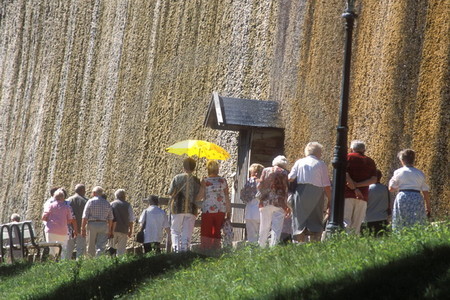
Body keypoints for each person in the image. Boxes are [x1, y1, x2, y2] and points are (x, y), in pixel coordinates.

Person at [288, 142, 332, 242]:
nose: (321, 154)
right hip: (316, 193)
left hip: (301, 191)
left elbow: (290, 178)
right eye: (320, 152)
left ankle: (299, 242)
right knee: (316, 218)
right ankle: (314, 242)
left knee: (299, 218)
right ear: (317, 152)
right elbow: (326, 185)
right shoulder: (321, 164)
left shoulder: (299, 162)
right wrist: (330, 199)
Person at [388, 149, 431, 231]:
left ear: (402, 160)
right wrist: (428, 207)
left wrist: (398, 185)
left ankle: (401, 237)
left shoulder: (398, 172)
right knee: (417, 220)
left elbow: (391, 188)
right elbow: (425, 191)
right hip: (417, 196)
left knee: (401, 220)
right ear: (413, 160)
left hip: (403, 196)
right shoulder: (420, 173)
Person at [344, 140, 377, 235]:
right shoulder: (370, 161)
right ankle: (354, 245)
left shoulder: (348, 157)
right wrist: (358, 186)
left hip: (347, 194)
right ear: (364, 149)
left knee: (346, 221)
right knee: (357, 224)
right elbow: (374, 179)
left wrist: (354, 188)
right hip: (363, 196)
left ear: (352, 148)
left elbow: (345, 174)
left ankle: (344, 244)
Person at [196, 160, 231, 250]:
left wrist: (194, 199)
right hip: (220, 209)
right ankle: (216, 249)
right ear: (217, 169)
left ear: (208, 169)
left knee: (206, 231)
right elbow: (227, 196)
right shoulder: (223, 181)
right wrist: (228, 210)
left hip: (208, 209)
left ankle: (205, 250)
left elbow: (200, 196)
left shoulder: (205, 180)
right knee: (217, 231)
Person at [168, 157, 201, 252]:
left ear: (184, 166)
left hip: (177, 208)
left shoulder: (177, 178)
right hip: (191, 209)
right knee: (187, 232)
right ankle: (185, 250)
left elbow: (170, 192)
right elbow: (199, 194)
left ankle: (176, 250)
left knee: (175, 231)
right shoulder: (196, 180)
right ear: (194, 168)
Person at [257, 155, 289, 248]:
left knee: (264, 226)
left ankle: (261, 247)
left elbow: (260, 185)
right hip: (279, 203)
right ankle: (273, 248)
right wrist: (286, 204)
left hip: (265, 201)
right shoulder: (284, 173)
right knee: (276, 227)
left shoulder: (265, 170)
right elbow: (286, 189)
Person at [42, 189, 77, 259]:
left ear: (54, 197)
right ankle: (62, 265)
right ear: (63, 198)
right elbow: (70, 220)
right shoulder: (67, 207)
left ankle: (52, 265)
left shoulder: (50, 205)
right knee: (63, 249)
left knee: (52, 249)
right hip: (63, 231)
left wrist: (49, 220)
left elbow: (43, 217)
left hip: (51, 230)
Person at [81, 186, 114, 257]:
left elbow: (85, 216)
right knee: (101, 245)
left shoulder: (90, 201)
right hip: (103, 224)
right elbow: (110, 218)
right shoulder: (107, 203)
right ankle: (99, 261)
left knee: (90, 244)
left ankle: (90, 260)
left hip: (92, 224)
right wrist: (110, 229)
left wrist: (82, 228)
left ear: (94, 193)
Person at [240, 163, 264, 243]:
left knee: (251, 237)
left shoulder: (249, 181)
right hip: (262, 211)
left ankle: (252, 253)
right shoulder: (264, 183)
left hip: (250, 211)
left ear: (255, 173)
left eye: (251, 173)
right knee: (262, 236)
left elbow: (243, 197)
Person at [364, 170, 391, 236]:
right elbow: (388, 205)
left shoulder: (367, 189)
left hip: (368, 219)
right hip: (382, 219)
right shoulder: (386, 188)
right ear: (380, 177)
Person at [110, 189, 135, 255]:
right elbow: (131, 219)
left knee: (111, 248)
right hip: (124, 230)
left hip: (113, 230)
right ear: (124, 196)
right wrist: (130, 231)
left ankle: (111, 262)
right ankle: (121, 263)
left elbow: (109, 218)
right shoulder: (128, 205)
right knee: (121, 250)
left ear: (116, 196)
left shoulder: (112, 204)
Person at [66, 184, 88, 259]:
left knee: (68, 249)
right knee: (80, 249)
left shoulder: (68, 201)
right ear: (83, 191)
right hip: (82, 229)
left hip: (70, 229)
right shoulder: (86, 201)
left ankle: (65, 264)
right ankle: (79, 265)